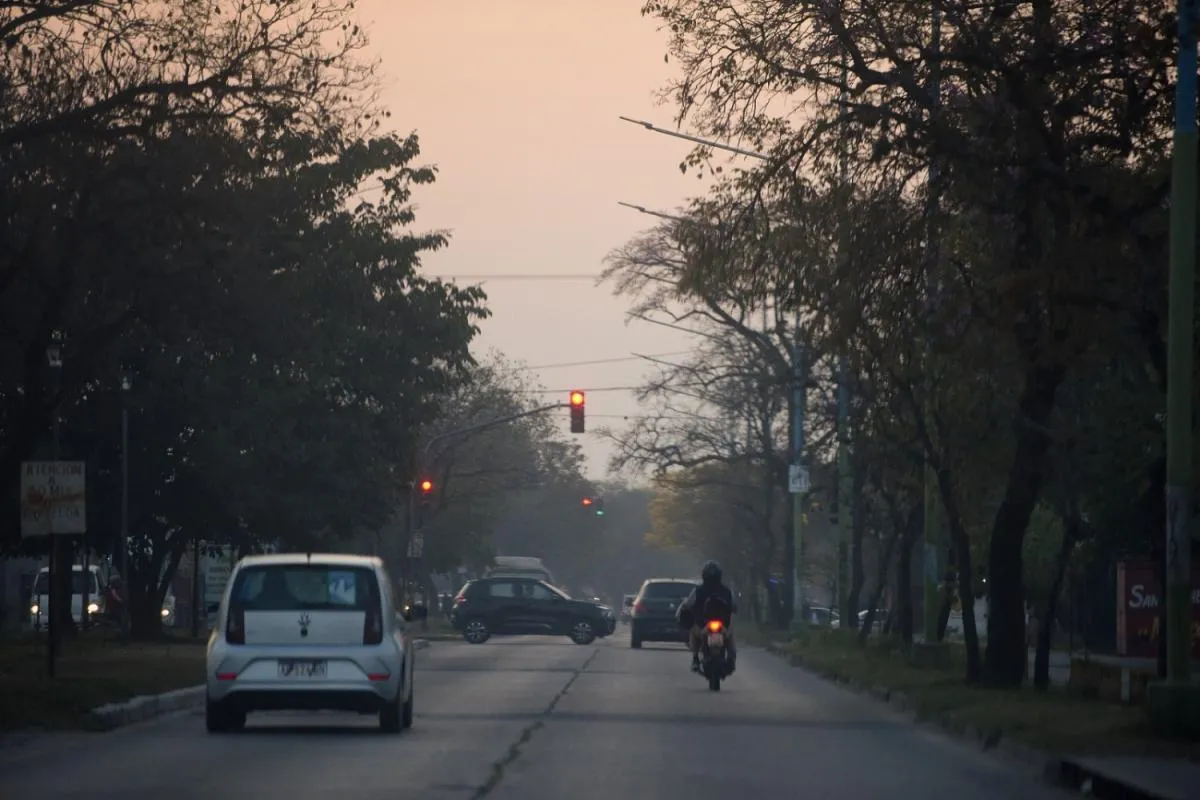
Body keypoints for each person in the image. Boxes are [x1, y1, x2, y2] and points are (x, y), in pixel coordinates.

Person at [678, 560, 736, 673]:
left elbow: (688, 604)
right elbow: (734, 605)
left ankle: (695, 658)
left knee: (693, 633)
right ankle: (731, 658)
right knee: (731, 636)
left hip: (702, 625)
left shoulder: (698, 590)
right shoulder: (727, 591)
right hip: (723, 625)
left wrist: (685, 609)